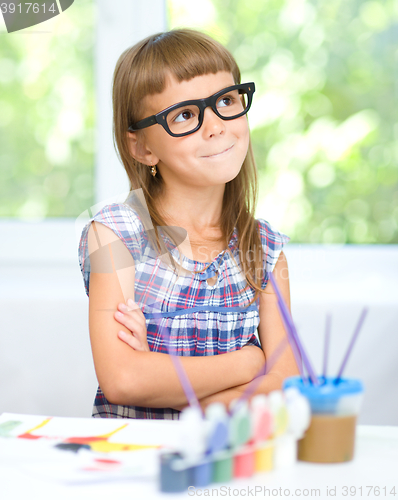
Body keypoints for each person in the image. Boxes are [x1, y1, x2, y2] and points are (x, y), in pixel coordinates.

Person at [78, 28, 299, 419]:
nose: (215, 126)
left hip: (230, 466)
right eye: (185, 115)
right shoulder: (114, 235)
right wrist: (248, 364)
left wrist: (164, 381)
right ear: (142, 147)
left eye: (226, 100)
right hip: (134, 467)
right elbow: (124, 381)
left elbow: (285, 385)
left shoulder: (265, 250)